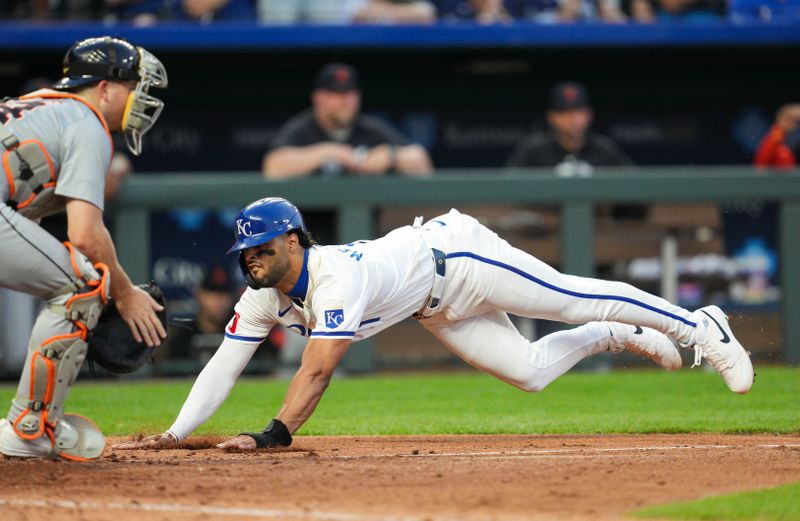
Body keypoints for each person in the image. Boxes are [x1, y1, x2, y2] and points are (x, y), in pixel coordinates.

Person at [114, 197, 753, 452]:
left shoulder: (335, 278)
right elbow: (223, 365)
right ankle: (616, 337)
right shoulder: (261, 297)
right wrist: (175, 434)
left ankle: (704, 328)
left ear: (294, 241)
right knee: (529, 373)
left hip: (460, 258)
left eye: (262, 248)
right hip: (433, 305)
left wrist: (274, 435)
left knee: (571, 296)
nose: (251, 260)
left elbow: (318, 370)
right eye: (245, 253)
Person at [0, 36, 168, 460]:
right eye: (133, 87)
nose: (140, 98)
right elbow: (87, 235)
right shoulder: (85, 121)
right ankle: (30, 430)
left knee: (74, 279)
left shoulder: (39, 105)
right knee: (82, 286)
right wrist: (125, 293)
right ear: (105, 88)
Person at [263, 63, 432, 180]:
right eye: (337, 94)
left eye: (351, 94)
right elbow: (274, 166)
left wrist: (391, 155)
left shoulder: (368, 128)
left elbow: (421, 161)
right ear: (319, 98)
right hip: (311, 226)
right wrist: (331, 152)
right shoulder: (302, 128)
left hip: (365, 226)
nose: (346, 101)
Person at [506, 82, 632, 176]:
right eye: (564, 112)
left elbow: (636, 190)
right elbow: (507, 193)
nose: (573, 118)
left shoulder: (604, 149)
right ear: (551, 117)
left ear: (589, 115)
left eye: (578, 111)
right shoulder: (534, 150)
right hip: (544, 211)